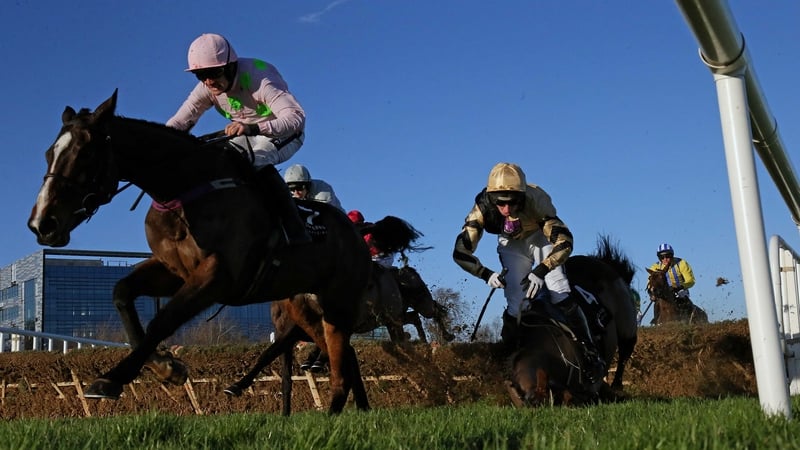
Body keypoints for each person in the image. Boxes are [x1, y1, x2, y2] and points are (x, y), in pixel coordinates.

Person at [452, 162, 605, 383]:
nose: (506, 210)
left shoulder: (537, 201)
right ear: (491, 197)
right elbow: (460, 252)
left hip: (540, 236)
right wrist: (485, 274)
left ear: (522, 196)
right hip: (512, 244)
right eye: (499, 203)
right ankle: (509, 356)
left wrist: (542, 269)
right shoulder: (482, 208)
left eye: (512, 202)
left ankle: (589, 350)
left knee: (558, 289)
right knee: (516, 300)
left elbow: (565, 241)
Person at [166, 33, 309, 244]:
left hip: (284, 132)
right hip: (246, 133)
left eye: (214, 72)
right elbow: (179, 123)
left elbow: (296, 118)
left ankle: (295, 229)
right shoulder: (206, 88)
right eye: (200, 75)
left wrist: (253, 128)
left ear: (231, 65)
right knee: (216, 161)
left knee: (257, 160)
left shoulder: (260, 79)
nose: (209, 81)